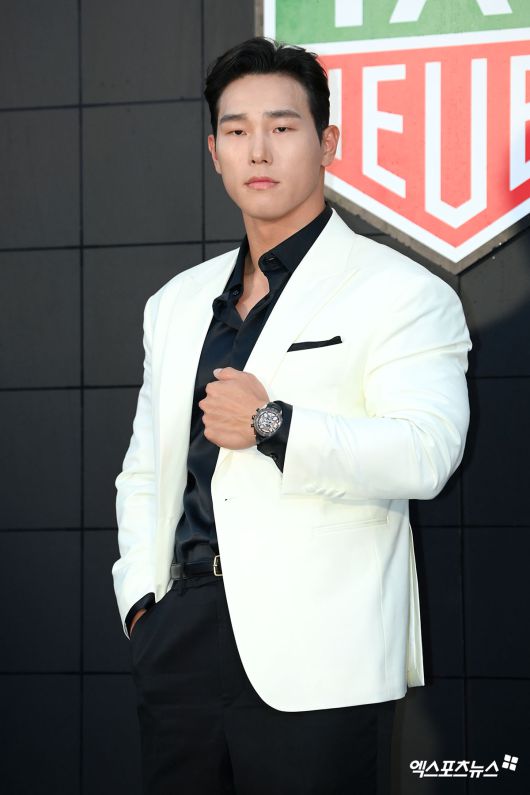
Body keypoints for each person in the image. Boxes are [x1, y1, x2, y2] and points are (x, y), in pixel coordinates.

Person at [112, 36, 471, 795]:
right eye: (237, 130)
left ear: (327, 142)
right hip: (180, 645)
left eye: (282, 126)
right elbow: (146, 469)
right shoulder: (176, 303)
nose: (259, 150)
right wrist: (143, 605)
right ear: (214, 151)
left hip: (322, 654)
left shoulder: (401, 292)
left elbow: (426, 452)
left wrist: (274, 425)